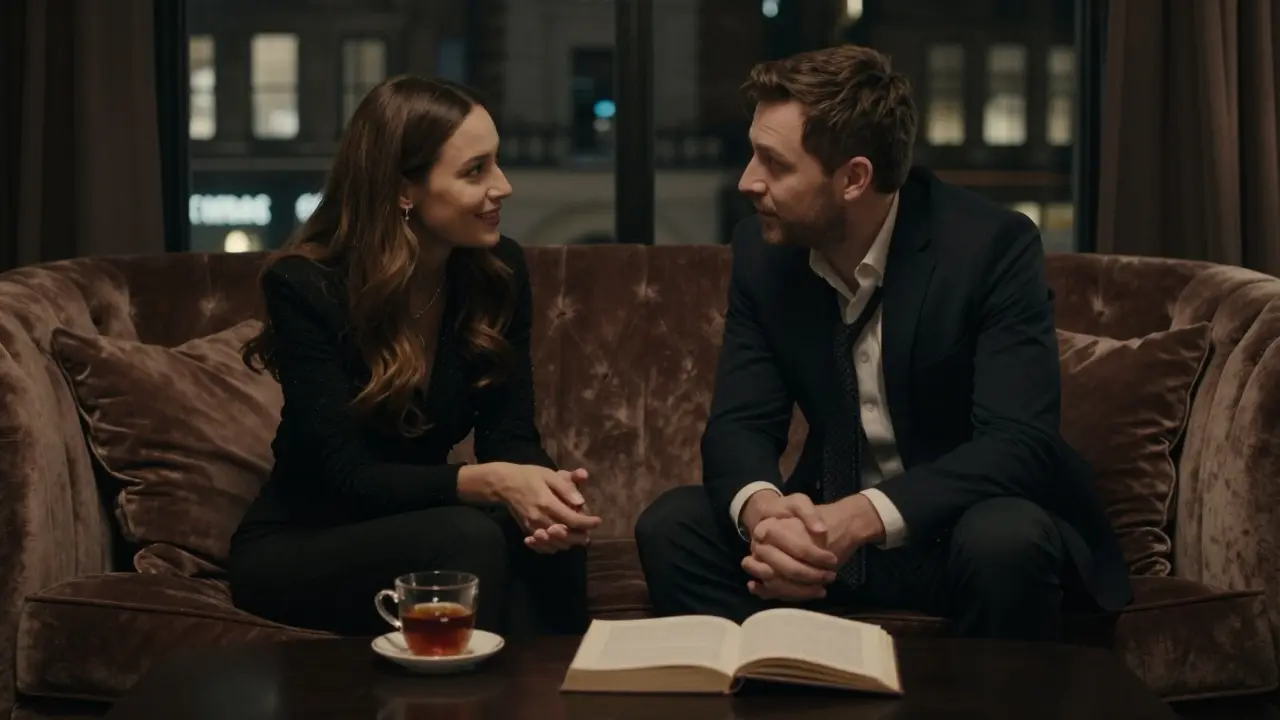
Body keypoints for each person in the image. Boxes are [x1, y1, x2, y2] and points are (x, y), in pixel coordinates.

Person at [634, 45, 1132, 641]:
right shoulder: (764, 255)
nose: (748, 181)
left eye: (774, 162)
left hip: (955, 531)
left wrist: (861, 518)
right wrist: (769, 518)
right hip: (828, 545)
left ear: (854, 178)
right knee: (671, 529)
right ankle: (788, 680)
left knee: (1007, 541)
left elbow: (1019, 444)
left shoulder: (989, 248)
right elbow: (738, 425)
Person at [228, 75, 599, 638]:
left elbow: (510, 435)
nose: (503, 186)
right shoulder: (306, 287)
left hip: (420, 519)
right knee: (466, 536)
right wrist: (491, 482)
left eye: (496, 162)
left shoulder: (496, 274)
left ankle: (562, 694)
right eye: (475, 171)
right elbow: (348, 477)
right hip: (303, 539)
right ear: (404, 189)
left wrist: (546, 495)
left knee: (547, 538)